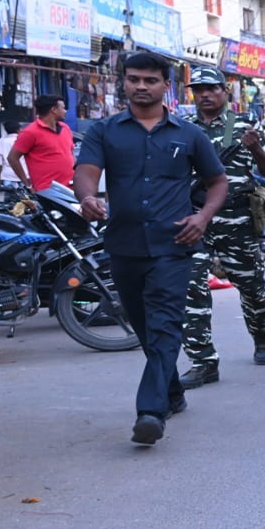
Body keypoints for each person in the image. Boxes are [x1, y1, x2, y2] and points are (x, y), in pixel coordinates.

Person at [74, 51, 228, 445]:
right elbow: (86, 173)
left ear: (165, 86)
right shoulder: (104, 131)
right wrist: (89, 198)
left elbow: (217, 182)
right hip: (123, 243)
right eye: (134, 79)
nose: (141, 86)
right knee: (143, 325)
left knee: (164, 325)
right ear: (123, 82)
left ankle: (150, 411)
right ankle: (172, 393)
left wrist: (202, 217)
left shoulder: (189, 134)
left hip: (174, 244)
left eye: (150, 80)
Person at [178, 66, 265, 389]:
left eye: (212, 89)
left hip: (237, 219)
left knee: (251, 286)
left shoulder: (244, 126)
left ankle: (263, 334)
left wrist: (255, 148)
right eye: (199, 90)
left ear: (225, 92)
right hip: (196, 220)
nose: (205, 95)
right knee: (192, 288)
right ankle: (202, 360)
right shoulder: (181, 128)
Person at [8, 94, 74, 191]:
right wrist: (27, 184)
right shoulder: (30, 132)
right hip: (47, 190)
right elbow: (12, 158)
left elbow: (71, 153)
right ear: (54, 110)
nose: (65, 111)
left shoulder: (65, 128)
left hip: (71, 188)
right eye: (63, 108)